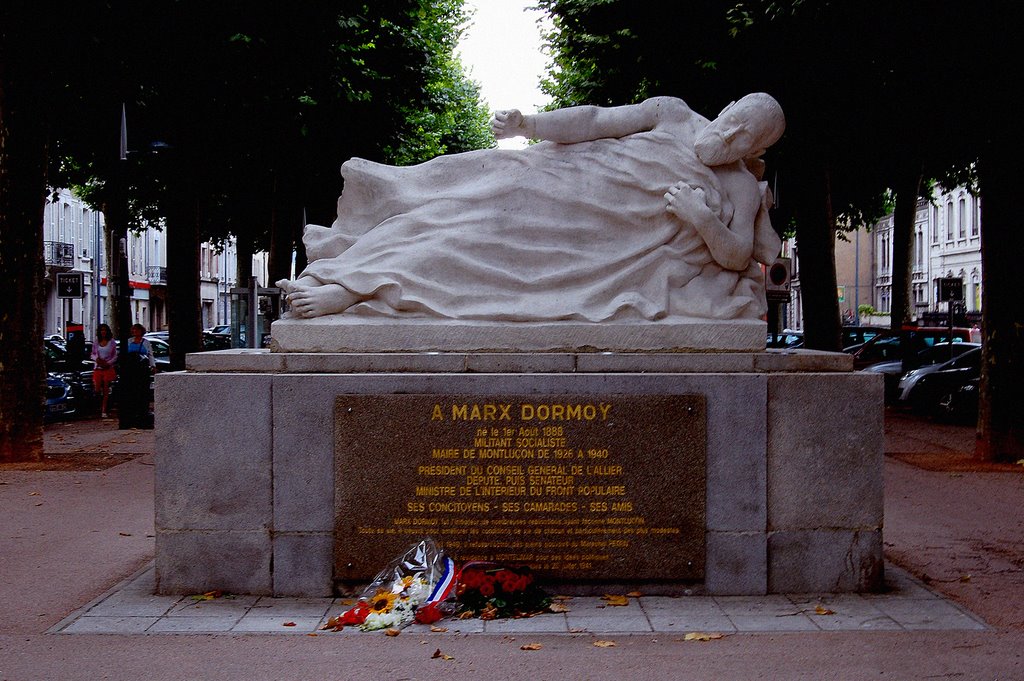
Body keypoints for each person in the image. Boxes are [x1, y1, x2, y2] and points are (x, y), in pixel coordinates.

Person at [279, 93, 785, 322]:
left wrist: (700, 218)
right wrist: (530, 126)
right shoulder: (671, 113)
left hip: (598, 237)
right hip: (559, 179)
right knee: (460, 196)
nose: (730, 136)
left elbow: (740, 256)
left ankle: (354, 290)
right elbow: (594, 120)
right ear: (726, 108)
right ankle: (344, 269)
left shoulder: (739, 187)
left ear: (755, 150)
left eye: (746, 138)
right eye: (733, 119)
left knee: (473, 240)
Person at [90, 323, 117, 418]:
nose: (103, 332)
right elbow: (92, 354)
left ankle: (104, 410)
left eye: (105, 330)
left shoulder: (112, 342)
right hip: (98, 368)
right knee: (97, 389)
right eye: (101, 330)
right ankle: (96, 407)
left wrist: (108, 363)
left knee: (106, 390)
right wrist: (96, 359)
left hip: (107, 368)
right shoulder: (96, 342)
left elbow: (115, 356)